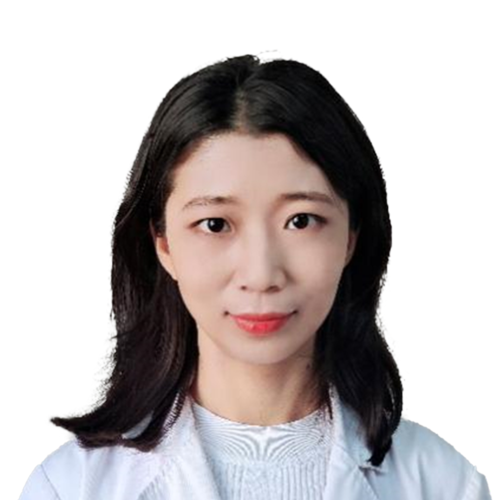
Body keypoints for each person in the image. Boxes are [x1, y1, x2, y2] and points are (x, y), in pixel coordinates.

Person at [19, 54, 491, 500]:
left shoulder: (444, 484)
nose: (261, 275)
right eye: (215, 224)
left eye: (301, 221)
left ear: (351, 238)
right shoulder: (72, 487)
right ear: (163, 244)